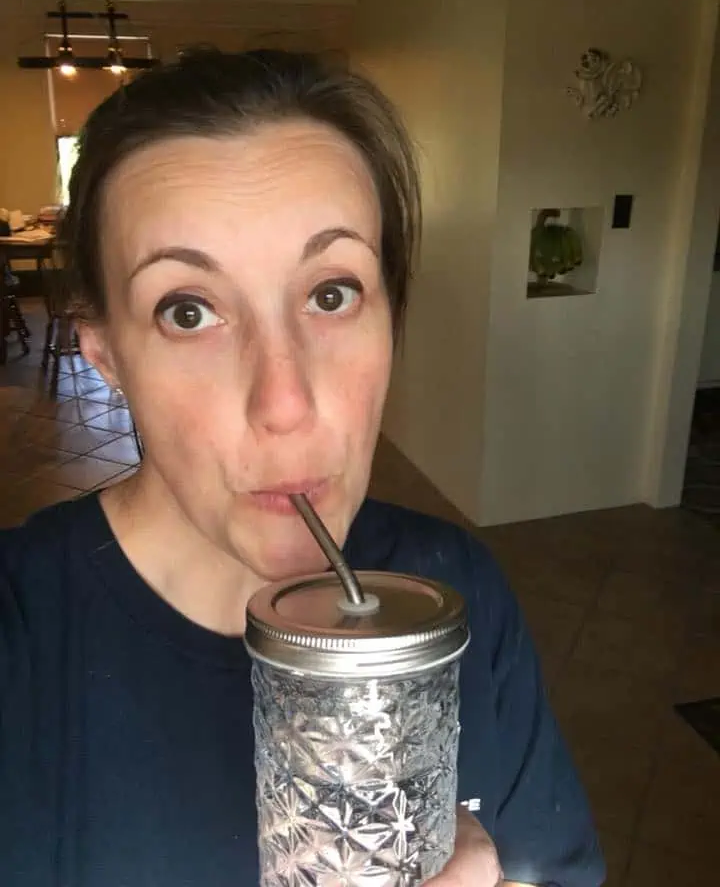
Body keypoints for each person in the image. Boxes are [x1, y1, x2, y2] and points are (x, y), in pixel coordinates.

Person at [0, 48, 605, 887]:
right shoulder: (20, 631)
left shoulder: (456, 585)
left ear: (392, 319)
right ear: (106, 355)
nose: (283, 401)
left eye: (332, 294)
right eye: (188, 311)